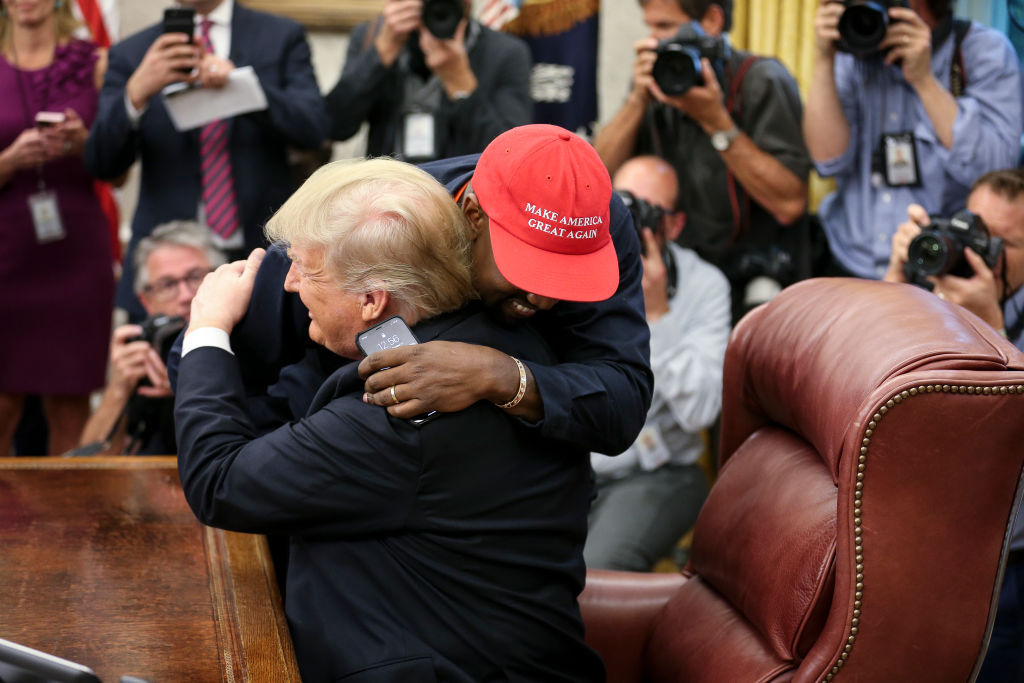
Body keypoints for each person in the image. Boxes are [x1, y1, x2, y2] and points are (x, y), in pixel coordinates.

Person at [174, 157, 606, 681]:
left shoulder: (399, 413)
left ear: (372, 300)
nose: (289, 285)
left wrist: (207, 329)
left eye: (307, 268)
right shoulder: (509, 342)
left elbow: (220, 483)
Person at [172, 123, 653, 457]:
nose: (546, 300)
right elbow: (201, 358)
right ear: (471, 217)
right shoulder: (376, 219)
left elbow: (621, 404)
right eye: (527, 273)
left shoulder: (593, 221)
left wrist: (499, 375)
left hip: (508, 508)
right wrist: (299, 456)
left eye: (566, 279)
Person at [83, 0, 328, 320]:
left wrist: (243, 89)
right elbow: (102, 163)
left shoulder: (280, 35)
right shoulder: (133, 53)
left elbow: (314, 129)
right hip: (168, 269)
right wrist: (135, 93)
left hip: (261, 253)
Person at [883, 168, 1024, 682]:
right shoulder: (928, 290)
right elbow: (864, 375)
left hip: (1003, 558)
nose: (974, 251)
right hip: (913, 538)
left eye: (998, 242)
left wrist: (995, 330)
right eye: (969, 229)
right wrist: (898, 279)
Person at [593, 0, 810, 321]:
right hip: (672, 276)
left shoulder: (760, 80)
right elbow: (596, 178)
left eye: (664, 27)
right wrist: (637, 99)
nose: (652, 39)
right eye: (649, 26)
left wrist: (716, 123)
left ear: (711, 19)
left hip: (752, 285)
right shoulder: (657, 78)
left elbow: (790, 203)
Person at [805, 0, 1024, 281]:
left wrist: (924, 80)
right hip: (848, 261)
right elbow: (827, 161)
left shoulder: (984, 52)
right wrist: (824, 58)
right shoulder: (855, 45)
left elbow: (992, 172)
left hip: (938, 269)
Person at [586, 155, 730, 571]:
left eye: (647, 210)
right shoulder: (577, 264)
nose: (629, 220)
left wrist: (658, 312)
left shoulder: (703, 284)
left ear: (675, 225)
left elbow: (701, 409)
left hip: (657, 471)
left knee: (597, 575)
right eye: (621, 202)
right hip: (572, 465)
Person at [0, 0, 114, 456]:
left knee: (70, 408)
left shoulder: (97, 62)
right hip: (7, 254)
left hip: (76, 254)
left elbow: (118, 170)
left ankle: (69, 527)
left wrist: (85, 143)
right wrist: (9, 161)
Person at [79, 222, 223, 455]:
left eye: (196, 277)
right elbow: (90, 465)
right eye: (168, 285)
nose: (186, 295)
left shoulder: (251, 338)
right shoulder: (147, 351)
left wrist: (188, 387)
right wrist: (118, 388)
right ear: (146, 301)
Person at [324, 0, 532, 161]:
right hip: (387, 194)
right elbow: (334, 126)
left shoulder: (505, 53)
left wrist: (460, 82)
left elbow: (510, 155)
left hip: (461, 199)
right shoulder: (373, 37)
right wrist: (382, 53)